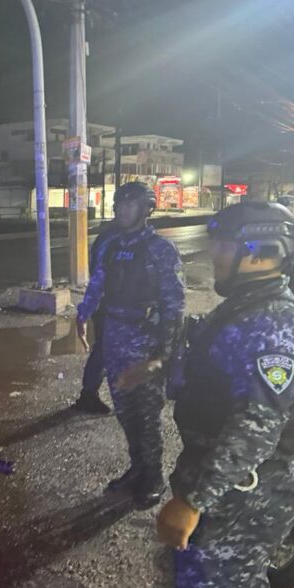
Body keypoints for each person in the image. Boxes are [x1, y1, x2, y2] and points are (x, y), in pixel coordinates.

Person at [157, 201, 294, 588]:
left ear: (261, 252)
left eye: (225, 246)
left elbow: (256, 427)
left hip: (242, 499)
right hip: (228, 488)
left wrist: (193, 501)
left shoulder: (275, 325)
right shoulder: (248, 307)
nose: (214, 254)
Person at [76, 181, 185, 508]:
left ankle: (152, 476)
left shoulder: (160, 250)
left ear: (146, 208)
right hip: (114, 339)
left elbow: (175, 305)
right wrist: (83, 314)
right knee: (124, 412)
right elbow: (97, 284)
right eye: (119, 203)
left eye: (129, 203)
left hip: (146, 344)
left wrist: (166, 353)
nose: (121, 208)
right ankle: (138, 467)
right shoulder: (110, 246)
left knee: (147, 415)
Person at [72, 219, 119, 415]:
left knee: (107, 352)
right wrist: (84, 313)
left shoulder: (115, 237)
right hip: (110, 309)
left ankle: (91, 395)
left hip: (134, 312)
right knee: (104, 352)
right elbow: (98, 280)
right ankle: (88, 396)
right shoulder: (111, 240)